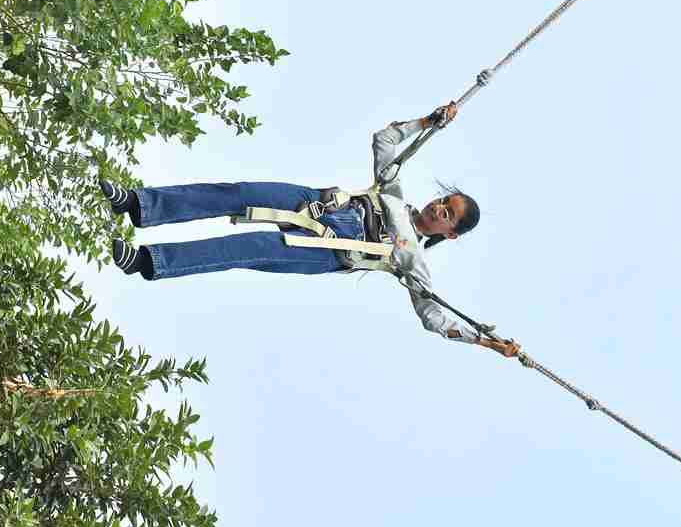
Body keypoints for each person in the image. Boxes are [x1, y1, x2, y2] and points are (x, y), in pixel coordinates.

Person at [101, 102, 521, 357]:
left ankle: (146, 261)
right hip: (314, 202)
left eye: (447, 215)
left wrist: (484, 341)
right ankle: (138, 203)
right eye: (444, 202)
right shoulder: (394, 193)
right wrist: (428, 121)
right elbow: (385, 140)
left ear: (450, 234)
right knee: (236, 192)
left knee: (243, 247)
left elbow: (434, 318)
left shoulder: (412, 258)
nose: (438, 209)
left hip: (324, 249)